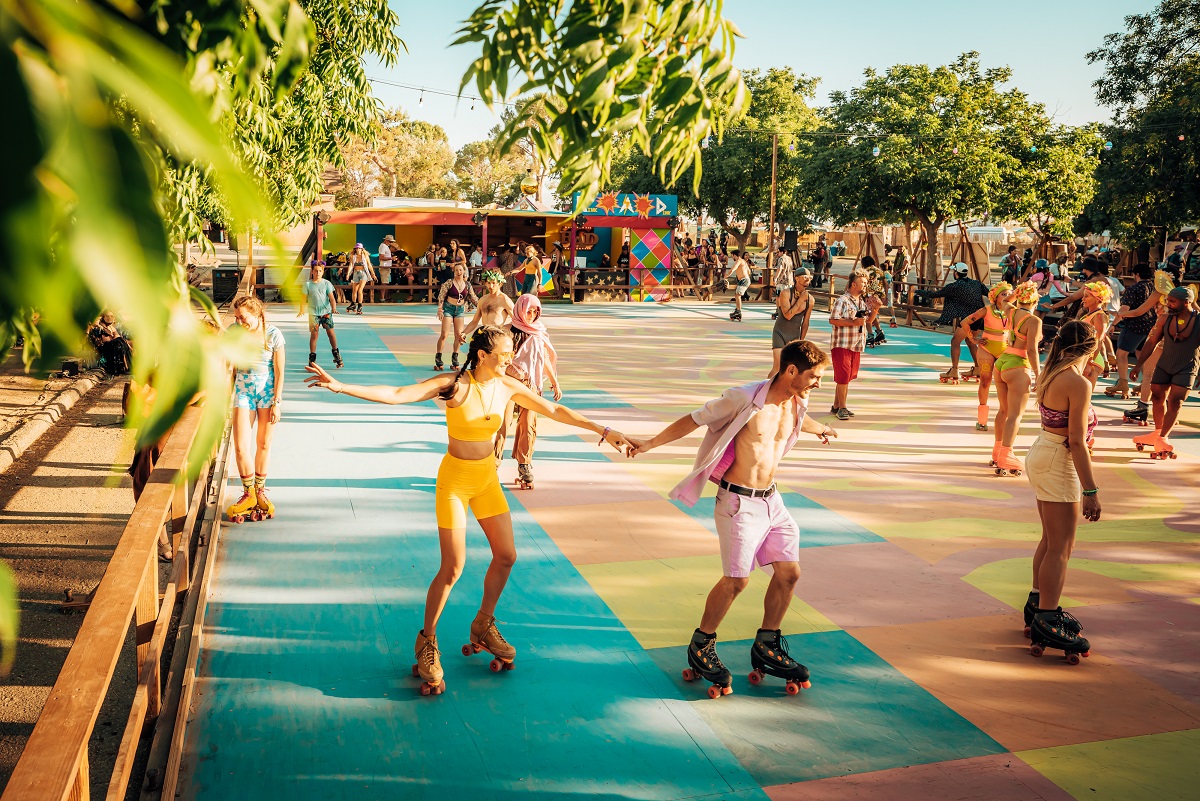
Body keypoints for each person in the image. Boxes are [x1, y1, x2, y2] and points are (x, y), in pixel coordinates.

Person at [303, 326, 632, 695]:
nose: (511, 359)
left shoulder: (508, 385)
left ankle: (483, 625)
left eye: (511, 352)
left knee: (506, 556)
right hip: (455, 483)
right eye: (505, 354)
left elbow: (554, 409)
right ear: (482, 356)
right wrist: (341, 386)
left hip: (486, 480)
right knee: (453, 567)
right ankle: (427, 640)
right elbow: (397, 394)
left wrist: (604, 430)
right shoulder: (454, 385)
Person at [625, 340, 836, 697]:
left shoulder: (797, 400)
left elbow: (794, 422)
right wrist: (649, 443)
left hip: (773, 501)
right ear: (790, 371)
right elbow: (695, 419)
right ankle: (701, 644)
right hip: (738, 504)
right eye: (814, 377)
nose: (818, 383)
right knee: (736, 581)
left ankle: (767, 645)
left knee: (789, 573)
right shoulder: (744, 398)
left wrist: (820, 429)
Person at [1022, 320, 1101, 662]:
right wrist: (1091, 490)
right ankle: (1047, 618)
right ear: (1091, 347)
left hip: (1041, 451)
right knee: (1062, 546)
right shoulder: (1077, 382)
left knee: (1049, 539)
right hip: (1058, 460)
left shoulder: (1053, 373)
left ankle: (1038, 602)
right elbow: (1076, 442)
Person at [225, 296, 285, 522]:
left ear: (257, 313)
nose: (240, 322)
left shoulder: (273, 335)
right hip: (243, 391)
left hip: (267, 393)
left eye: (244, 318)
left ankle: (260, 491)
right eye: (237, 318)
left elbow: (279, 372)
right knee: (240, 447)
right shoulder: (234, 332)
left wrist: (277, 402)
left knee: (264, 444)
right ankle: (248, 492)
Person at [1132, 286, 1200, 458]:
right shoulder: (1165, 319)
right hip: (1165, 365)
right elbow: (1151, 342)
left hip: (1187, 366)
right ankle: (1157, 432)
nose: (1168, 304)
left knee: (1175, 401)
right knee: (1156, 396)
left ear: (1186, 302)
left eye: (1172, 301)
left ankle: (1163, 437)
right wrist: (1138, 365)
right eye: (1168, 300)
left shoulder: (1198, 320)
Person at [505, 294, 561, 489]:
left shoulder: (538, 332)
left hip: (531, 386)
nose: (531, 315)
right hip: (509, 384)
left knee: (528, 424)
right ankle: (491, 462)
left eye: (534, 312)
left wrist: (555, 381)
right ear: (520, 310)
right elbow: (498, 358)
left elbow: (543, 359)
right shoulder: (508, 332)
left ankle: (524, 464)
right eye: (528, 311)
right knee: (501, 423)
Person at [991, 281, 1042, 474]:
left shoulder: (1011, 311)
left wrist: (1018, 290)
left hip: (1002, 363)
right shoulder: (1034, 321)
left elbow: (1005, 301)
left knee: (1003, 411)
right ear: (1035, 299)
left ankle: (997, 452)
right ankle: (1006, 455)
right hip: (1018, 366)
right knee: (1015, 415)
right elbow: (1031, 349)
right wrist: (1038, 374)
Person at [828, 268, 882, 420]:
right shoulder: (842, 300)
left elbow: (868, 321)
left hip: (856, 344)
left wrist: (876, 309)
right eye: (863, 283)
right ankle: (843, 408)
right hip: (842, 343)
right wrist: (852, 322)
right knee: (843, 376)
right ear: (853, 284)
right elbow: (833, 320)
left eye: (866, 282)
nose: (865, 285)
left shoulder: (861, 302)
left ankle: (837, 405)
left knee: (847, 376)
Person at [959, 282, 1013, 431]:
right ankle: (982, 420)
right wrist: (972, 338)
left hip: (1006, 350)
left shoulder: (1014, 311)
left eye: (1009, 294)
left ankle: (1006, 417)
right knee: (985, 381)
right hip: (986, 349)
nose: (1007, 297)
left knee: (1007, 383)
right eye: (1003, 294)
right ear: (995, 297)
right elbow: (965, 322)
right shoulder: (987, 310)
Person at [928, 263, 988, 382]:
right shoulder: (977, 283)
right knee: (970, 341)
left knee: (955, 341)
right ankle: (977, 368)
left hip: (968, 319)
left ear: (956, 273)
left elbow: (935, 295)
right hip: (980, 317)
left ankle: (954, 370)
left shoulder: (954, 286)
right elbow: (989, 293)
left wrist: (920, 292)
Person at [1108, 263, 1156, 399]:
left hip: (1135, 325)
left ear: (1137, 275)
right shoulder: (1155, 288)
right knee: (1141, 353)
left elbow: (1124, 310)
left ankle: (1123, 383)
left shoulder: (1134, 289)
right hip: (1150, 325)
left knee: (1121, 353)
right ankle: (1145, 382)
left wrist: (1113, 324)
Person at [769, 267, 815, 378]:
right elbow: (788, 315)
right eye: (804, 278)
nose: (807, 280)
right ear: (796, 278)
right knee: (778, 366)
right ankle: (765, 390)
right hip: (780, 332)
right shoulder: (785, 293)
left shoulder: (810, 300)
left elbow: (805, 322)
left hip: (795, 335)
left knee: (792, 368)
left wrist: (801, 340)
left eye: (809, 278)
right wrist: (800, 300)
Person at [435, 263, 479, 372]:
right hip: (448, 309)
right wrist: (440, 309)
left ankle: (455, 357)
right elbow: (441, 295)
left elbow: (474, 298)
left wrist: (483, 306)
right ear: (454, 272)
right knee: (444, 334)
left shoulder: (467, 285)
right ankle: (438, 357)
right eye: (456, 270)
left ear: (464, 271)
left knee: (459, 335)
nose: (458, 272)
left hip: (460, 310)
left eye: (460, 270)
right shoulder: (449, 283)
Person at [299, 260, 341, 368]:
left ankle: (336, 353)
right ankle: (312, 358)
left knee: (331, 334)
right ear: (312, 271)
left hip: (326, 313)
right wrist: (301, 310)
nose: (318, 273)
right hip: (313, 314)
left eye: (320, 271)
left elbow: (331, 298)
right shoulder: (307, 284)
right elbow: (303, 299)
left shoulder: (327, 283)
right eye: (316, 271)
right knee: (314, 335)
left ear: (323, 272)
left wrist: (334, 308)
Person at [460, 269, 514, 344]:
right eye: (488, 282)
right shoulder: (483, 300)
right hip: (484, 335)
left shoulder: (504, 300)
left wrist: (504, 329)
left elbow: (517, 320)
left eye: (494, 283)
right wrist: (464, 333)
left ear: (499, 283)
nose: (491, 286)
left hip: (497, 337)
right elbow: (475, 321)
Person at [87, 310, 132, 376]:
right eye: (107, 316)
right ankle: (123, 367)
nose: (109, 318)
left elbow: (117, 336)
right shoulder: (97, 327)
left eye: (111, 316)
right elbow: (104, 338)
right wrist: (99, 326)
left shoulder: (111, 327)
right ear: (102, 317)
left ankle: (126, 367)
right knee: (119, 342)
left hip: (112, 346)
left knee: (120, 342)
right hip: (102, 350)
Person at [346, 243, 376, 315]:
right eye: (357, 248)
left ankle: (360, 305)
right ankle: (353, 304)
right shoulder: (353, 256)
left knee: (360, 290)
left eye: (359, 248)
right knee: (354, 290)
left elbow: (369, 265)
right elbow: (351, 265)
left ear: (362, 249)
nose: (358, 250)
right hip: (356, 273)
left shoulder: (365, 256)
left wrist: (373, 274)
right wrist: (348, 274)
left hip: (363, 273)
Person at [727, 250, 751, 322]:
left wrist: (726, 276)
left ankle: (738, 311)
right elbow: (749, 271)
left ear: (735, 255)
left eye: (732, 256)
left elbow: (733, 269)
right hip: (744, 280)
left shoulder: (739, 261)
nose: (732, 257)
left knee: (738, 295)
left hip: (744, 280)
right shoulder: (743, 261)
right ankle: (737, 310)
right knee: (737, 295)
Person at [377, 234, 395, 301]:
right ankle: (382, 298)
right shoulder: (383, 246)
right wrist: (391, 258)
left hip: (387, 267)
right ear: (386, 240)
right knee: (384, 282)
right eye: (390, 242)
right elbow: (381, 257)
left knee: (386, 282)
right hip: (384, 267)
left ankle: (385, 297)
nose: (391, 243)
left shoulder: (385, 246)